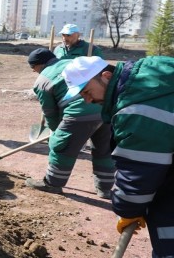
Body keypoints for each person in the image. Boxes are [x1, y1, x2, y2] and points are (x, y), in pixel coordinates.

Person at [62, 55, 174, 257]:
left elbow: (139, 174)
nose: (87, 100)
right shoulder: (152, 76)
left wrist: (127, 209)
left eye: (87, 91)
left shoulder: (135, 111)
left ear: (105, 75)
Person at [24, 49, 115, 198]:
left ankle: (53, 184)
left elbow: (50, 112)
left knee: (62, 146)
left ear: (38, 65)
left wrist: (56, 132)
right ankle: (104, 188)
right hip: (105, 108)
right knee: (104, 148)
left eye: (33, 69)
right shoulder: (72, 63)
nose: (34, 72)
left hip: (79, 113)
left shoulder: (42, 80)